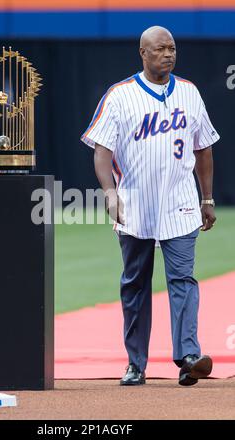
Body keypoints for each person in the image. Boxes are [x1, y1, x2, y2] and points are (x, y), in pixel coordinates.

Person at [81, 26, 220, 386]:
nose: (169, 54)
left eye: (172, 48)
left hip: (180, 202)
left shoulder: (189, 92)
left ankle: (188, 356)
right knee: (135, 284)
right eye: (160, 49)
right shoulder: (120, 95)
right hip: (135, 203)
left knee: (183, 280)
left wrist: (206, 198)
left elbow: (203, 147)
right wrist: (110, 192)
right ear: (143, 53)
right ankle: (135, 363)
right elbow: (102, 151)